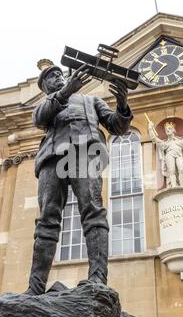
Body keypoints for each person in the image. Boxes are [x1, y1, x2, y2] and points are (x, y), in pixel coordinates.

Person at [25, 61, 133, 295]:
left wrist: (122, 104)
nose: (57, 77)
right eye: (50, 77)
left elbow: (117, 126)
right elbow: (39, 119)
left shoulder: (90, 100)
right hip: (53, 158)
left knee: (93, 210)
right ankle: (35, 288)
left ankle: (97, 278)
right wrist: (66, 92)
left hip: (85, 154)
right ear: (44, 86)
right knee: (47, 219)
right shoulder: (48, 103)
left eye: (58, 74)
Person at [148, 120, 183, 188]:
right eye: (166, 129)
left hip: (179, 155)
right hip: (169, 156)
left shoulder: (181, 141)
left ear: (173, 130)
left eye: (169, 128)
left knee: (182, 169)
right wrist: (150, 128)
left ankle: (182, 187)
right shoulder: (165, 143)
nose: (167, 130)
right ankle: (174, 186)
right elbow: (154, 139)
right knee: (171, 171)